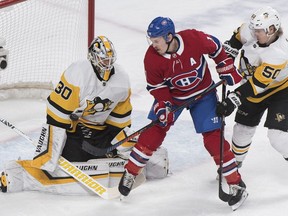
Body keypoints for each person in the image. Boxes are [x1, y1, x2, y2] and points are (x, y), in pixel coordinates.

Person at [0, 36, 168, 195]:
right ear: (93, 57)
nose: (107, 64)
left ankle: (143, 161)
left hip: (101, 131)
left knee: (127, 143)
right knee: (69, 159)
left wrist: (117, 145)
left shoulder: (121, 79)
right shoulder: (77, 74)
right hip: (75, 130)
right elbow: (57, 114)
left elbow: (120, 121)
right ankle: (19, 174)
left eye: (110, 60)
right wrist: (50, 152)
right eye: (103, 60)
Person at [118, 16, 248, 210]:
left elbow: (215, 46)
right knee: (154, 132)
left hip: (204, 96)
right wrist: (164, 105)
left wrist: (225, 66)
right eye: (151, 40)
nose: (153, 45)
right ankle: (130, 172)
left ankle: (236, 183)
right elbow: (156, 86)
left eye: (156, 40)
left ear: (169, 36)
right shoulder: (151, 58)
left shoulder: (193, 39)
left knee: (213, 139)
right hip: (174, 98)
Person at [216, 6, 288, 168]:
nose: (255, 33)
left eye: (259, 30)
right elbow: (235, 41)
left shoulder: (279, 53)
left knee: (277, 137)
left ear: (272, 29)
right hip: (253, 86)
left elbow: (257, 84)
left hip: (281, 90)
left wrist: (233, 98)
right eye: (254, 29)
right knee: (241, 130)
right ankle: (233, 167)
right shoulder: (250, 31)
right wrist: (227, 59)